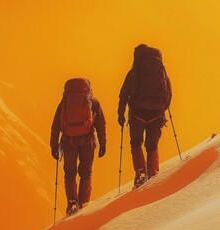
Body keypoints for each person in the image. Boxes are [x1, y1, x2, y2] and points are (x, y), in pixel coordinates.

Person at [118, 44, 172, 188]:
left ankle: (141, 172)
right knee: (152, 145)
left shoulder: (134, 72)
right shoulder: (161, 71)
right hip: (156, 114)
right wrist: (161, 110)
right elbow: (169, 94)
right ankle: (153, 174)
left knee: (136, 143)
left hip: (137, 114)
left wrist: (120, 114)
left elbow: (123, 94)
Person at [50, 78, 106, 216]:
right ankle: (84, 203)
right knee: (86, 172)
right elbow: (101, 124)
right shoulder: (93, 102)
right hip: (87, 141)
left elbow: (55, 126)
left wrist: (53, 146)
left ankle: (72, 203)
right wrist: (103, 143)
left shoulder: (63, 104)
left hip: (68, 142)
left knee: (70, 174)